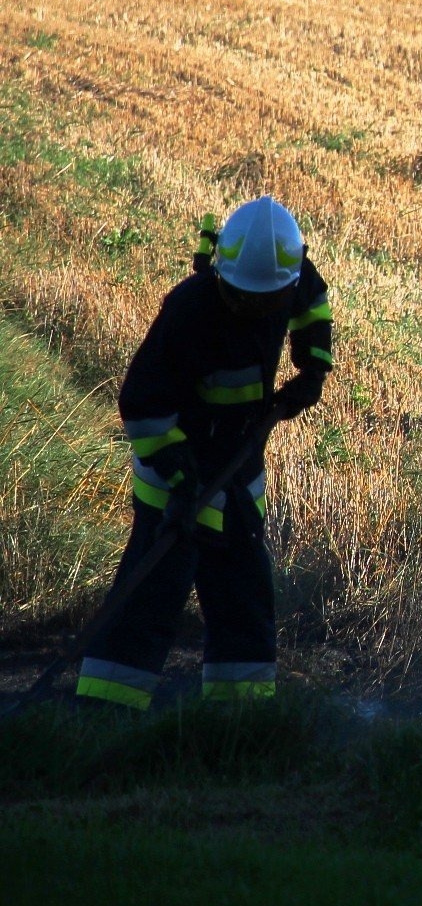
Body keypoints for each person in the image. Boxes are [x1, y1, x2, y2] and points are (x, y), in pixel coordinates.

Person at [75, 195, 333, 710]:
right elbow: (144, 406)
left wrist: (312, 367)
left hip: (236, 470)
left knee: (244, 596)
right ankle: (105, 714)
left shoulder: (282, 279)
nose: (254, 310)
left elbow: (313, 300)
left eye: (266, 301)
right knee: (149, 598)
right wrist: (177, 472)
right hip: (179, 476)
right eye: (243, 298)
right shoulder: (190, 311)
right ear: (223, 278)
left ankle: (240, 716)